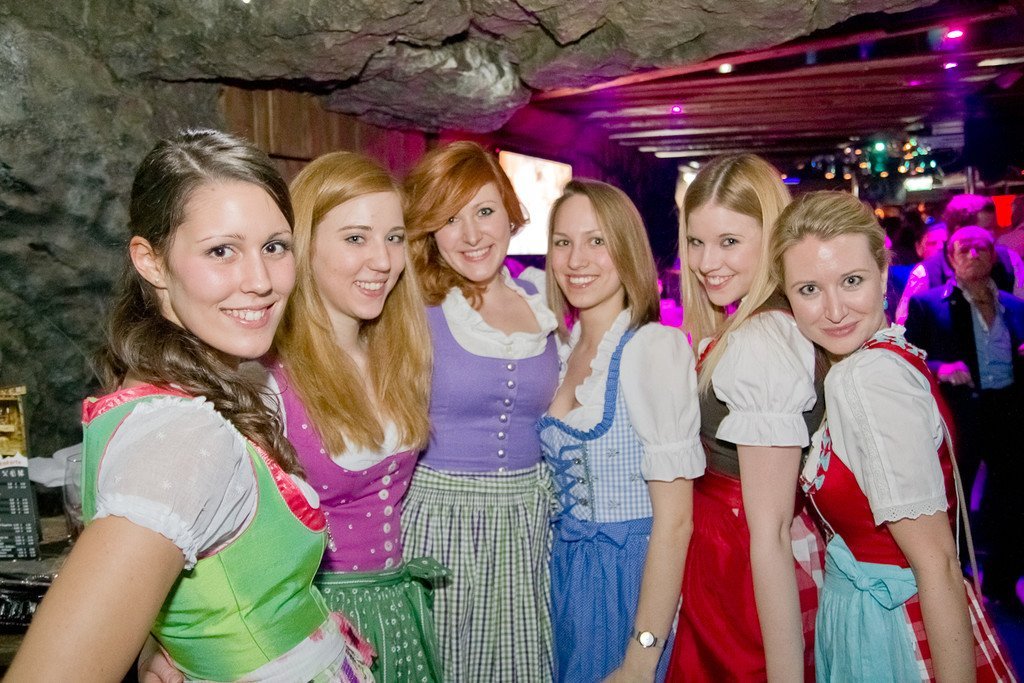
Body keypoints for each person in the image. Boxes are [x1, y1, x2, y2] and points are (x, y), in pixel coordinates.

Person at [8, 130, 372, 682]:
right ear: (151, 262)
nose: (260, 281)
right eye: (221, 251)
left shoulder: (175, 392)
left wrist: (159, 635)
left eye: (275, 247)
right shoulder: (182, 439)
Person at [772, 190, 1015, 681]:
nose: (834, 310)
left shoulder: (868, 378)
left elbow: (937, 564)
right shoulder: (880, 357)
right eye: (809, 289)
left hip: (893, 636)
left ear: (884, 275)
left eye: (852, 281)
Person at [257, 151, 443, 681]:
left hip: (399, 609)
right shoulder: (268, 380)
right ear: (304, 246)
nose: (383, 261)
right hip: (314, 623)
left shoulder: (398, 359)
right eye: (356, 238)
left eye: (394, 237)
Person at [401, 141, 559, 682]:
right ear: (429, 230)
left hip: (528, 527)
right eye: (450, 218)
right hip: (440, 522)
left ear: (510, 213)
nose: (471, 235)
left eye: (484, 211)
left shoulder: (542, 297)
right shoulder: (410, 306)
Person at [668, 154, 825, 682]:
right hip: (724, 555)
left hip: (739, 567)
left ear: (773, 237)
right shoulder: (754, 326)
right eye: (696, 241)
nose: (706, 261)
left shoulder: (763, 341)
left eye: (729, 241)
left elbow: (771, 533)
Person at [538, 180, 703, 682]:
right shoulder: (561, 349)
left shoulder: (650, 349)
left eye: (597, 241)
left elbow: (676, 522)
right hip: (567, 580)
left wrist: (641, 656)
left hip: (629, 582)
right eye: (563, 242)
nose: (576, 259)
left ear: (627, 248)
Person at [905, 225, 1024, 612]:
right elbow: (906, 357)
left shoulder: (1014, 306)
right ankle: (955, 582)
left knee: (1011, 498)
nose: (973, 254)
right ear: (950, 258)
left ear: (994, 256)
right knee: (955, 495)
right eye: (964, 248)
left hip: (1008, 411)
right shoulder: (929, 304)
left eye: (982, 248)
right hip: (961, 412)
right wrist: (941, 367)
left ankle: (1001, 584)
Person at [895, 194, 1024, 324]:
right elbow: (904, 324)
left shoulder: (1009, 260)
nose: (993, 234)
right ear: (959, 230)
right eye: (985, 229)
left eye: (994, 227)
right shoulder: (926, 272)